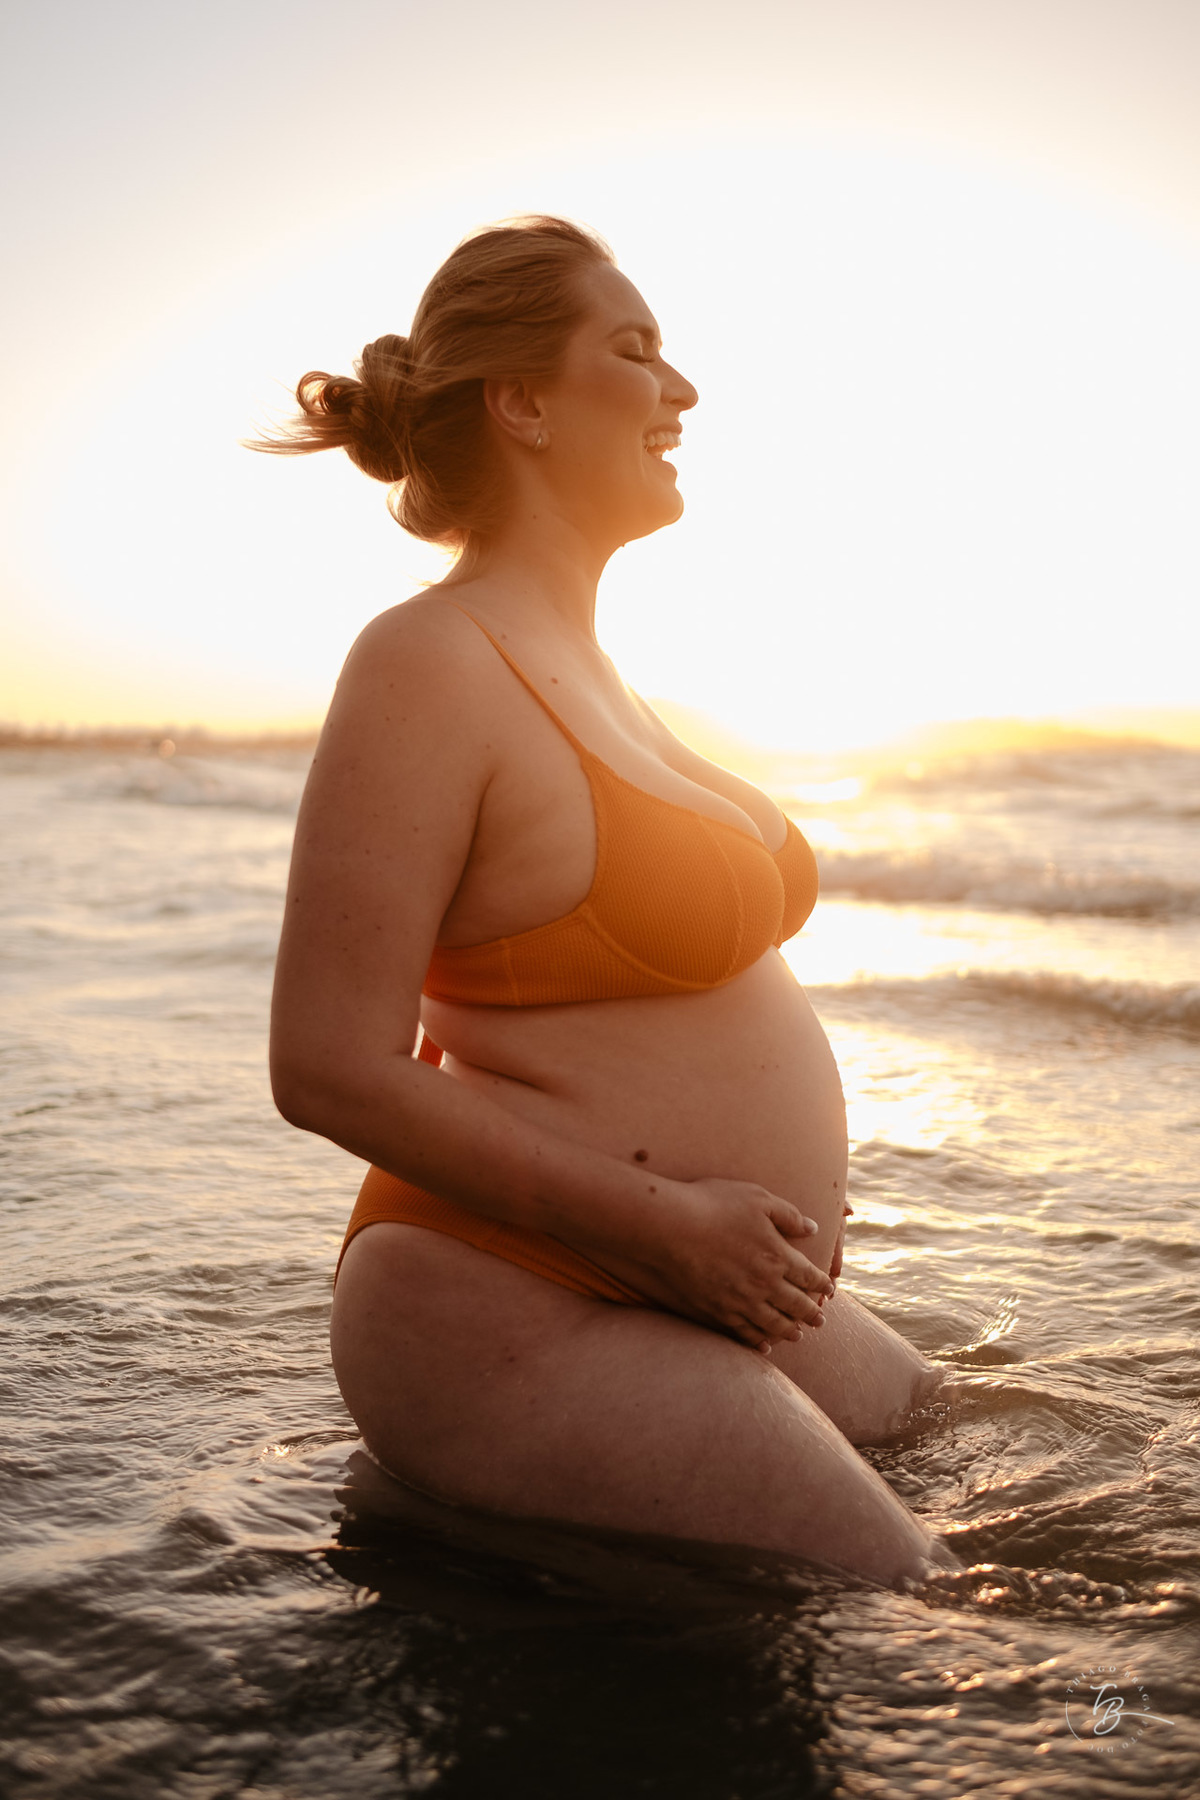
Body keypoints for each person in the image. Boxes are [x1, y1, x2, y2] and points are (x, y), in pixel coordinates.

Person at [255, 216, 952, 1586]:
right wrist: (668, 1230)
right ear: (520, 402)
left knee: (973, 1445)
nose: (680, 390)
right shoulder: (425, 662)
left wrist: (701, 1248)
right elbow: (323, 1066)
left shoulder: (598, 668)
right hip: (510, 1295)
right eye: (632, 353)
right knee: (945, 1622)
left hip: (683, 1279)